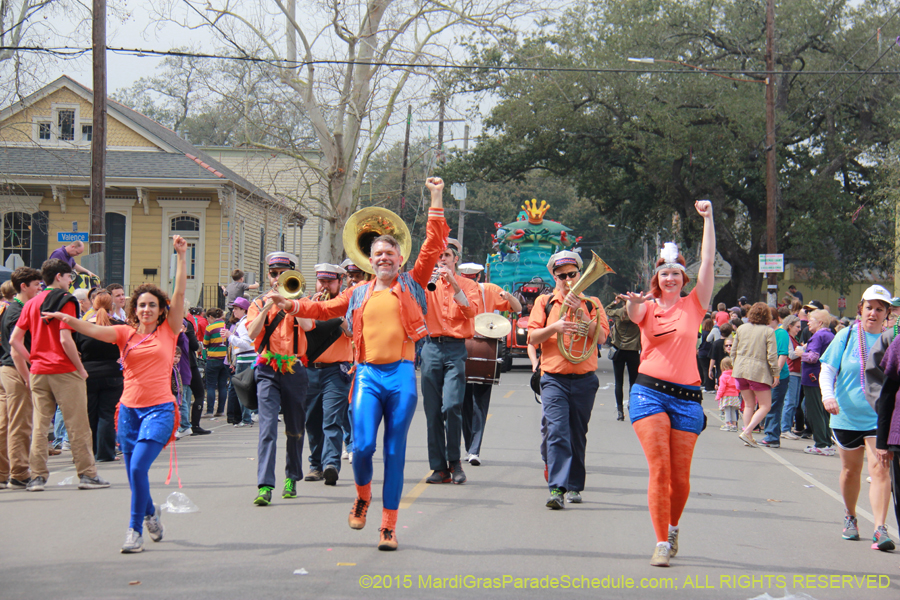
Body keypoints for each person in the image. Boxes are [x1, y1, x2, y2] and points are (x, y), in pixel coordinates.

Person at [272, 176, 448, 551]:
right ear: (369, 260)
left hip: (400, 375)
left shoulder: (413, 283)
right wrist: (293, 304)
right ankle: (363, 496)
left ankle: (388, 525)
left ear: (400, 259)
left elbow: (433, 245)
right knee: (364, 447)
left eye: (390, 254)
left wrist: (436, 198)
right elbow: (323, 307)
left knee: (395, 453)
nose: (384, 258)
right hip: (367, 376)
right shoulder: (357, 292)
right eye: (378, 255)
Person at [43, 235, 188, 553]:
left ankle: (134, 531)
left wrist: (180, 256)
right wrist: (66, 319)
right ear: (134, 309)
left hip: (160, 410)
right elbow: (93, 329)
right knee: (134, 474)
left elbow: (178, 292)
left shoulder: (169, 330)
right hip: (129, 412)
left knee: (138, 468)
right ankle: (151, 512)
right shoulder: (125, 333)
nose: (147, 309)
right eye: (141, 305)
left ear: (161, 309)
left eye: (152, 305)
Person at [620, 200, 715, 567]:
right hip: (649, 394)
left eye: (676, 274)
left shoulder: (696, 305)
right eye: (664, 274)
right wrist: (632, 306)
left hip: (688, 399)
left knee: (680, 477)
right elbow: (635, 314)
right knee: (659, 469)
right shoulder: (648, 307)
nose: (670, 279)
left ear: (683, 279)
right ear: (656, 280)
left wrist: (707, 220)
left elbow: (708, 262)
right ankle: (661, 542)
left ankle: (673, 528)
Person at [9, 258, 109, 492]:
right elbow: (65, 338)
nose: (69, 281)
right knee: (78, 424)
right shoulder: (67, 300)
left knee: (40, 424)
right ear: (59, 277)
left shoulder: (32, 303)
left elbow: (15, 339)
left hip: (39, 370)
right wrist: (80, 368)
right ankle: (87, 474)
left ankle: (37, 477)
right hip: (63, 368)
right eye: (68, 277)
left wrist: (33, 359)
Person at [529, 250, 608, 509]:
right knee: (557, 431)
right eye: (561, 275)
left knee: (577, 433)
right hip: (553, 378)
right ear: (554, 276)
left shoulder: (593, 303)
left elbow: (602, 339)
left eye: (572, 274)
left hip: (584, 378)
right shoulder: (544, 302)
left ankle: (574, 485)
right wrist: (555, 327)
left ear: (581, 273)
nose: (567, 279)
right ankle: (557, 488)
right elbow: (532, 338)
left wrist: (583, 317)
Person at [818, 285, 894, 550]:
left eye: (879, 309)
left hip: (878, 418)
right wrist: (828, 396)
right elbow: (827, 369)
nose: (873, 313)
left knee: (880, 469)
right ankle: (850, 516)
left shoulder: (891, 340)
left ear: (887, 314)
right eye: (869, 307)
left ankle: (880, 529)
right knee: (851, 471)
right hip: (846, 415)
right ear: (860, 308)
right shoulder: (847, 336)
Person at [245, 252, 314, 506]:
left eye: (282, 274)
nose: (277, 278)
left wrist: (289, 301)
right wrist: (267, 304)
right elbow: (251, 332)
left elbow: (307, 326)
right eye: (273, 273)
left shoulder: (301, 300)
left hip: (295, 367)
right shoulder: (257, 302)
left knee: (295, 428)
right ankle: (264, 485)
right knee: (267, 429)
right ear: (269, 275)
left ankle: (292, 477)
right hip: (267, 369)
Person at [420, 238, 481, 485]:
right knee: (432, 411)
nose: (441, 259)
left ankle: (454, 461)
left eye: (446, 255)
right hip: (431, 347)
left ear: (455, 259)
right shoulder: (426, 283)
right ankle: (439, 467)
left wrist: (453, 283)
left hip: (456, 348)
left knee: (452, 405)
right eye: (438, 256)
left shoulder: (468, 284)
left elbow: (471, 312)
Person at [458, 262, 523, 464]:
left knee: (480, 403)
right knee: (464, 403)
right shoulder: (454, 289)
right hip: (461, 348)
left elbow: (518, 308)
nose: (469, 282)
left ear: (479, 278)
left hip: (486, 349)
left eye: (473, 278)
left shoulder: (491, 290)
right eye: (466, 278)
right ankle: (470, 447)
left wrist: (508, 297)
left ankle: (474, 449)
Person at [302, 263, 353, 485]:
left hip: (336, 369)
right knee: (312, 421)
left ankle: (331, 463)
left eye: (330, 282)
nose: (325, 285)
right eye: (321, 281)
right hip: (310, 369)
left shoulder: (348, 304)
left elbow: (353, 331)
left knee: (331, 419)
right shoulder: (307, 303)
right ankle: (316, 465)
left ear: (339, 283)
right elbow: (303, 329)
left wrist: (338, 317)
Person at [0, 267, 42, 489]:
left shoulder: (11, 309)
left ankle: (2, 473)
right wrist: (27, 377)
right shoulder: (18, 312)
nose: (39, 289)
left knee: (5, 425)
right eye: (36, 285)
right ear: (24, 286)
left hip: (6, 370)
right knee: (20, 425)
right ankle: (19, 473)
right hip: (16, 371)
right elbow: (16, 349)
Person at [76, 291, 125, 462]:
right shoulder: (119, 325)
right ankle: (105, 452)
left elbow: (77, 350)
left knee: (90, 414)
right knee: (107, 413)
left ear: (93, 305)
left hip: (88, 373)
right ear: (111, 306)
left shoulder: (83, 327)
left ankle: (90, 451)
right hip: (113, 372)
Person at [731, 302, 779, 448]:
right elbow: (772, 355)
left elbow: (733, 351)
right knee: (765, 405)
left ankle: (748, 433)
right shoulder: (768, 331)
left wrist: (736, 365)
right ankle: (748, 431)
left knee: (749, 404)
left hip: (740, 369)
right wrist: (775, 374)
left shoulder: (741, 328)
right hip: (758, 371)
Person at [799, 308, 836, 456]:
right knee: (823, 411)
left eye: (811, 320)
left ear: (820, 323)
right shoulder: (830, 335)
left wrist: (801, 353)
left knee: (814, 410)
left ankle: (820, 443)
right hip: (824, 377)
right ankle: (827, 442)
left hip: (813, 377)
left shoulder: (818, 336)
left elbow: (813, 357)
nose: (808, 323)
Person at [605, 295, 641, 421]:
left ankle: (620, 411)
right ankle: (632, 406)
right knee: (633, 382)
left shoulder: (619, 312)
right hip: (633, 351)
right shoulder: (637, 315)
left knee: (619, 382)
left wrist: (615, 302)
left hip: (619, 351)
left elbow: (606, 310)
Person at [759, 307, 790, 448]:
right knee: (769, 405)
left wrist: (775, 373)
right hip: (767, 374)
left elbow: (783, 354)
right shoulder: (768, 333)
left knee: (773, 405)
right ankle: (771, 434)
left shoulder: (781, 333)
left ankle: (772, 436)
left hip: (779, 375)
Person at [225, 297, 255, 428]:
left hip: (245, 359)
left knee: (242, 390)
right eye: (233, 309)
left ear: (244, 310)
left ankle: (246, 418)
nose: (234, 311)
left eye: (236, 309)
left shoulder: (243, 324)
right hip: (247, 358)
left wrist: (229, 336)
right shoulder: (245, 322)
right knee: (248, 389)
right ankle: (247, 417)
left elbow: (245, 344)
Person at [780, 315, 804, 440]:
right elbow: (790, 355)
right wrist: (802, 349)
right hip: (792, 372)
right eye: (797, 327)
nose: (799, 329)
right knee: (790, 401)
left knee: (794, 402)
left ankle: (787, 427)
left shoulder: (794, 338)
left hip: (797, 373)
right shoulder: (788, 338)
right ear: (790, 326)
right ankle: (785, 428)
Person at [203, 308, 229, 417]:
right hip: (225, 359)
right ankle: (221, 411)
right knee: (223, 386)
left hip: (213, 358)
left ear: (211, 317)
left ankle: (209, 411)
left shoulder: (210, 327)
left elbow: (205, 343)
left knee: (211, 386)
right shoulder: (227, 326)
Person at [716, 356, 740, 431]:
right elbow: (738, 386)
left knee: (727, 410)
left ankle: (727, 424)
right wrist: (737, 392)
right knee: (733, 410)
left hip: (726, 395)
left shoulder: (723, 376)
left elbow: (722, 387)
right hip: (734, 395)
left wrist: (718, 396)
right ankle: (734, 425)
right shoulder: (735, 375)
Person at [697, 317, 715, 393]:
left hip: (701, 353)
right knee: (710, 369)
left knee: (703, 369)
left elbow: (699, 343)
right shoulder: (712, 333)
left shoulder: (702, 333)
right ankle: (710, 385)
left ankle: (705, 384)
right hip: (709, 353)